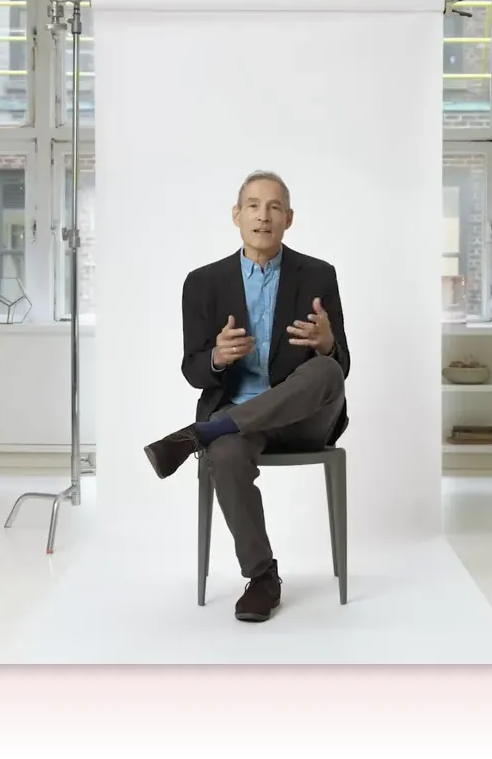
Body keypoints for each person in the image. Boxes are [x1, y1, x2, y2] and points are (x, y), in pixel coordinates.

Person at [142, 170, 351, 623]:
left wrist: (328, 343)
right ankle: (261, 577)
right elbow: (193, 370)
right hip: (240, 416)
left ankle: (203, 432)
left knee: (326, 370)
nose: (264, 216)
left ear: (289, 219)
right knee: (226, 454)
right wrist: (216, 357)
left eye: (275, 207)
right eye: (253, 206)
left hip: (305, 419)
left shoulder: (319, 275)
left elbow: (342, 368)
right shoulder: (203, 282)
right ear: (236, 215)